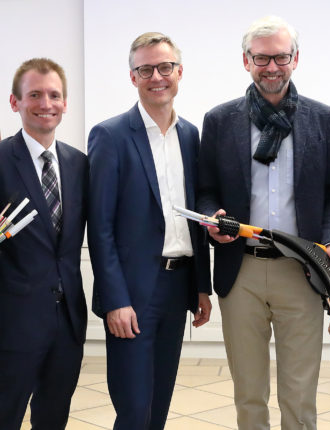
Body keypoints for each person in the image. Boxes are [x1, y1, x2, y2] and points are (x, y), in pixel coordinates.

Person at [196, 16, 330, 429]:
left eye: (281, 57)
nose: (272, 67)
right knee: (249, 393)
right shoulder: (220, 119)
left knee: (299, 395)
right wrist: (214, 217)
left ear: (295, 58)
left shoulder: (321, 117)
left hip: (301, 269)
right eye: (261, 58)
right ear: (246, 60)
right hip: (240, 269)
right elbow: (206, 190)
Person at [87, 32, 212, 429]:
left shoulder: (190, 135)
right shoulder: (110, 136)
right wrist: (115, 300)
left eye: (165, 67)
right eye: (145, 70)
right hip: (134, 292)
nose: (156, 77)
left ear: (179, 72)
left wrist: (201, 287)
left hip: (178, 288)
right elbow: (100, 227)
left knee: (158, 406)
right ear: (133, 77)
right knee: (134, 407)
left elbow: (195, 217)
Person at [0, 58, 88, 430]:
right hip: (11, 322)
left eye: (54, 95)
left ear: (65, 103)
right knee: (2, 419)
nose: (45, 104)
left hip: (67, 322)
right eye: (34, 94)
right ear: (14, 101)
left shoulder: (80, 164)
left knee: (53, 418)